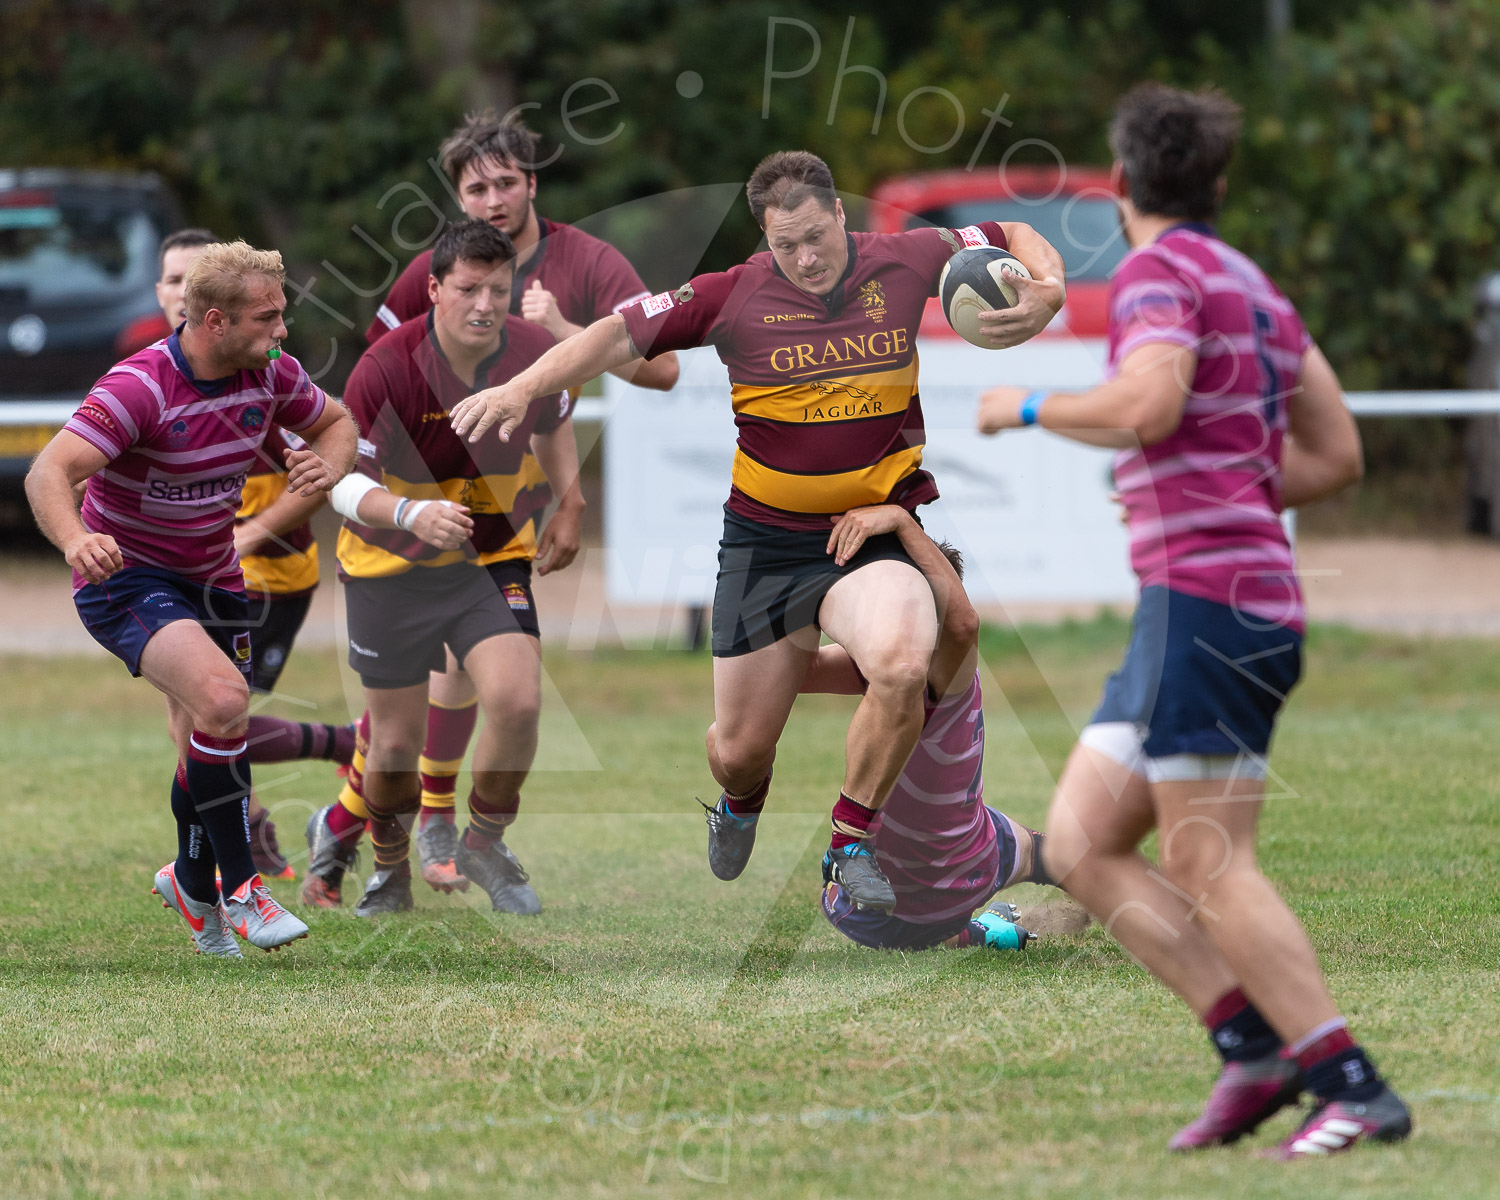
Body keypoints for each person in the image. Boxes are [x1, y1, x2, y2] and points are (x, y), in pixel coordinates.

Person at [452, 149, 1066, 913]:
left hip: (869, 532)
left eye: (818, 237)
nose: (807, 259)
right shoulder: (734, 293)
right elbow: (615, 336)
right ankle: (741, 802)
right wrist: (519, 387)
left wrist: (1049, 290)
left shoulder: (906, 260)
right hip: (765, 544)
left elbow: (1007, 228)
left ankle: (849, 845)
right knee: (738, 751)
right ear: (764, 238)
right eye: (787, 245)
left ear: (842, 214)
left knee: (903, 665)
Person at [975, 83, 1409, 1159]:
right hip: (1224, 602)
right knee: (1080, 842)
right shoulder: (1251, 284)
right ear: (1218, 182)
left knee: (1212, 860)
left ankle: (1350, 1083)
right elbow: (1339, 453)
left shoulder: (1157, 274)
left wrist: (1020, 404)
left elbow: (1148, 404)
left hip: (1211, 606)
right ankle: (1252, 1049)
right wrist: (1214, 491)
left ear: (1121, 185)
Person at [326, 110, 677, 893]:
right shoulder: (418, 297)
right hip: (406, 537)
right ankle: (376, 836)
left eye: (505, 183)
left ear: (532, 185)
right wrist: (402, 505)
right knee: (399, 733)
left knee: (505, 693)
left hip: (500, 525)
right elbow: (374, 402)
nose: (491, 200)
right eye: (474, 187)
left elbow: (662, 372)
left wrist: (566, 337)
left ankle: (453, 832)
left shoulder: (584, 264)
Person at [25, 240, 357, 956]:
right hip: (128, 580)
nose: (282, 331)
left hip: (213, 578)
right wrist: (76, 539)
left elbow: (339, 423)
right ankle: (241, 890)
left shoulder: (269, 372)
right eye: (267, 318)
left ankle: (190, 880)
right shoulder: (139, 386)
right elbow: (48, 473)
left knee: (208, 735)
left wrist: (320, 473)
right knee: (224, 701)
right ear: (214, 322)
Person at [313, 219, 582, 918]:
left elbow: (552, 423)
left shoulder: (532, 353)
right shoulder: (386, 366)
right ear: (433, 289)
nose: (485, 303)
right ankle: (391, 868)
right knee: (395, 746)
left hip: (489, 558)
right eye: (468, 288)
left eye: (499, 288)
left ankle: (485, 841)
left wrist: (572, 501)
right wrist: (410, 514)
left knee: (519, 703)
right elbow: (338, 482)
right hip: (386, 568)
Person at [157, 228, 355, 880]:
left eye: (191, 277)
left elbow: (319, 464)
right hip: (191, 572)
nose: (178, 290)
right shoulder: (157, 370)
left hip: (266, 574)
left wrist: (248, 534)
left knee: (211, 714)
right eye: (169, 279)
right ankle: (235, 838)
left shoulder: (255, 374)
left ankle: (244, 837)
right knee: (190, 719)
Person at [780, 504, 1056, 952]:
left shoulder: (924, 665)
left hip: (868, 919)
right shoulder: (933, 673)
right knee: (1049, 854)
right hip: (967, 873)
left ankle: (982, 932)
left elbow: (800, 666)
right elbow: (961, 625)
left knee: (921, 878)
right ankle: (1156, 913)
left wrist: (814, 571)